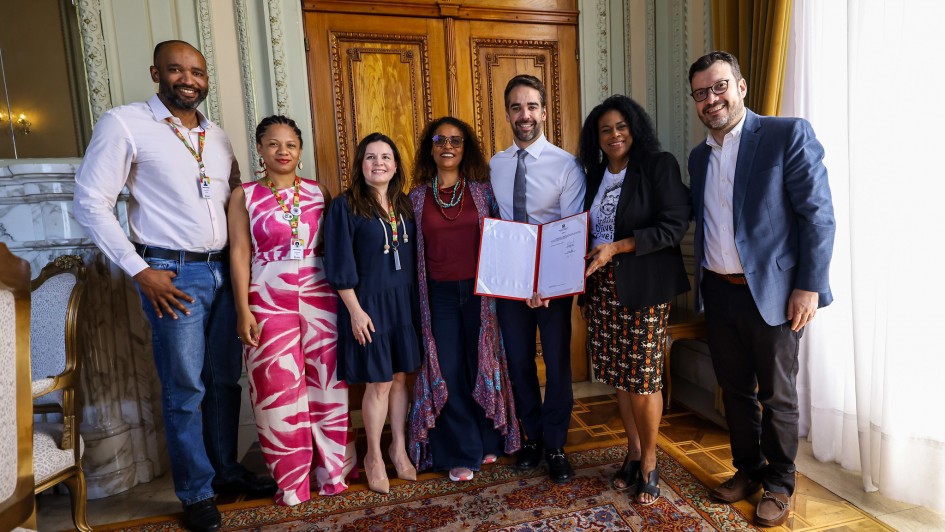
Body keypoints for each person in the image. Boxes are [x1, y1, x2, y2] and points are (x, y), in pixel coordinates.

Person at [72, 40, 275, 531]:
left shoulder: (219, 136)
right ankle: (196, 492)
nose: (189, 79)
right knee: (185, 387)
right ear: (156, 72)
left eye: (198, 72)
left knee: (225, 381)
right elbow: (89, 202)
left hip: (225, 271)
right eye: (177, 70)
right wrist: (140, 270)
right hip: (171, 273)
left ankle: (226, 470)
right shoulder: (124, 123)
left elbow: (236, 205)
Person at [686, 51, 835, 527]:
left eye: (719, 86)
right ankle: (748, 471)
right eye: (701, 93)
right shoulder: (698, 157)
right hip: (720, 290)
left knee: (778, 396)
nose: (712, 99)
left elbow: (817, 216)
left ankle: (779, 484)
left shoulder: (785, 135)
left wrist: (809, 287)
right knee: (734, 391)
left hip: (774, 292)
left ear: (742, 86)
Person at [228, 115, 355, 506]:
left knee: (327, 387)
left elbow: (334, 249)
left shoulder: (321, 193)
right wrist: (242, 310)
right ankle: (292, 483)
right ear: (260, 150)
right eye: (273, 144)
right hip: (266, 298)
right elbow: (239, 253)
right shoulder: (244, 195)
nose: (282, 151)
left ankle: (333, 473)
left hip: (321, 298)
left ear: (300, 153)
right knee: (277, 393)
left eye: (290, 145)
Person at [577, 95, 691, 504]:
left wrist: (619, 247)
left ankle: (651, 463)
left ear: (634, 128)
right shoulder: (593, 176)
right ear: (597, 137)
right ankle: (632, 452)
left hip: (644, 288)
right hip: (603, 291)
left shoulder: (658, 166)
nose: (614, 135)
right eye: (605, 129)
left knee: (643, 380)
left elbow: (674, 225)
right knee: (619, 378)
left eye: (621, 127)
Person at [406, 117, 521, 483]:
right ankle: (460, 450)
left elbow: (506, 239)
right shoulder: (417, 197)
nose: (448, 146)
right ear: (431, 147)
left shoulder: (483, 192)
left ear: (464, 147)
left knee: (481, 365)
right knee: (448, 369)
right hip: (437, 295)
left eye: (456, 140)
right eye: (440, 139)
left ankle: (488, 439)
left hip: (479, 293)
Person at [489, 74, 586, 484]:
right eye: (516, 107)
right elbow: (497, 225)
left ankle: (557, 443)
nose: (524, 115)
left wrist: (546, 285)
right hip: (510, 284)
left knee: (558, 364)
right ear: (507, 113)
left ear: (544, 112)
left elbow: (569, 230)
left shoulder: (566, 165)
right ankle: (531, 438)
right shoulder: (496, 163)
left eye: (531, 107)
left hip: (554, 285)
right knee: (518, 363)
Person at [324, 132, 422, 495]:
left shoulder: (406, 204)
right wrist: (354, 310)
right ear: (360, 164)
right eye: (370, 157)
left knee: (400, 378)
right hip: (368, 305)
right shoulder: (345, 206)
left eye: (385, 157)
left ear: (396, 165)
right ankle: (374, 457)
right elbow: (337, 262)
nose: (378, 162)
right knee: (378, 382)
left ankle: (399, 446)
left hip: (403, 303)